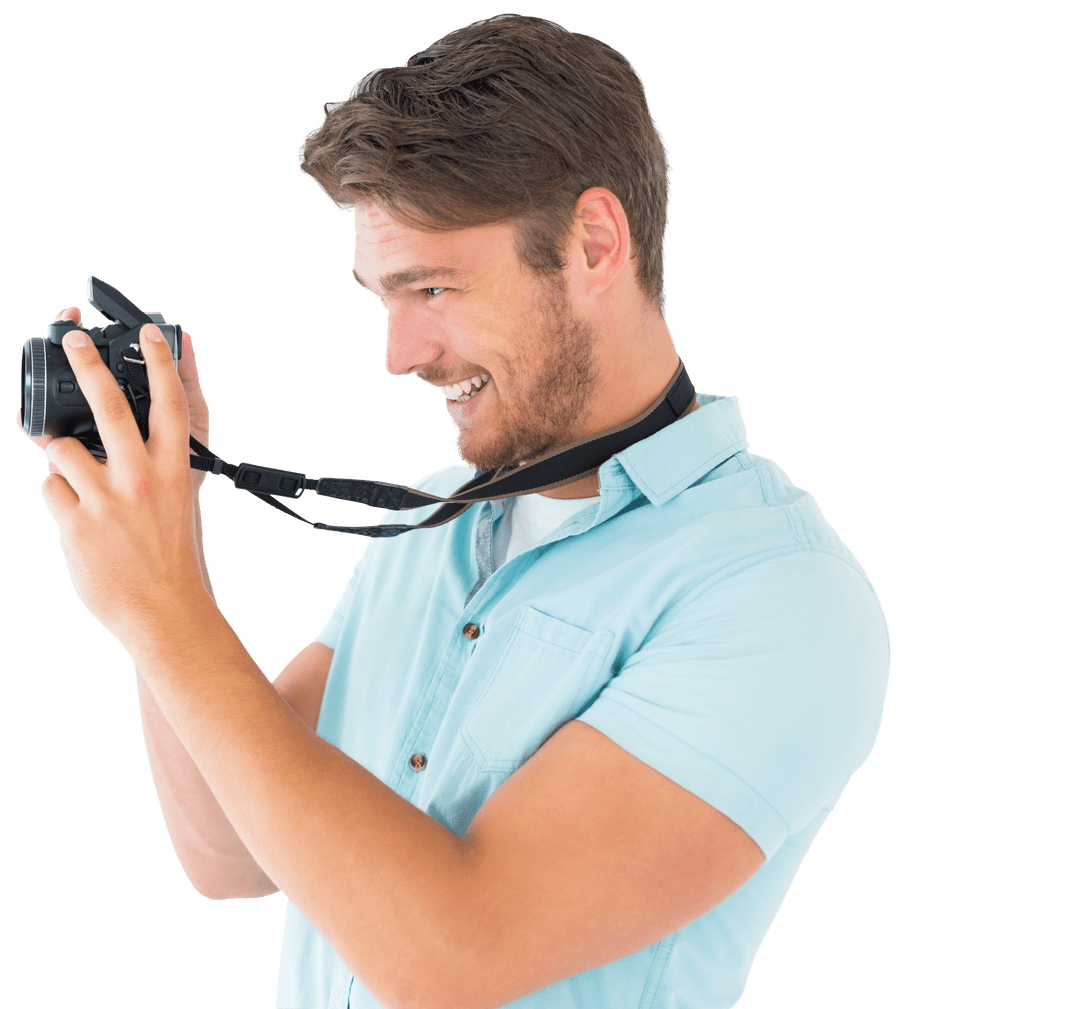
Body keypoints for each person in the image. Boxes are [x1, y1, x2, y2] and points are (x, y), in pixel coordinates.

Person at [21, 13, 891, 1009]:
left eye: (432, 287)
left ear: (593, 243)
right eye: (382, 296)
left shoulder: (777, 594)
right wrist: (156, 543)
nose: (398, 354)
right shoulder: (435, 519)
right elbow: (228, 850)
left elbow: (457, 953)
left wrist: (165, 612)